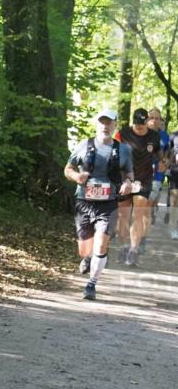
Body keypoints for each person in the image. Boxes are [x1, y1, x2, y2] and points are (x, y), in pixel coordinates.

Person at [64, 109, 134, 301]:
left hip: (108, 204)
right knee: (84, 250)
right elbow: (68, 168)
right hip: (84, 202)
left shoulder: (124, 150)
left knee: (101, 244)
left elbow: (129, 174)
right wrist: (76, 176)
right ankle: (89, 257)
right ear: (97, 124)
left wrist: (127, 183)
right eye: (102, 122)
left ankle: (91, 284)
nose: (105, 126)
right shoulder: (83, 145)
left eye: (109, 122)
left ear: (115, 125)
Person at [115, 108, 163, 266]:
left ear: (146, 122)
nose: (139, 128)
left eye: (142, 125)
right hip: (124, 179)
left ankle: (133, 251)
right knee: (123, 215)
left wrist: (162, 162)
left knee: (139, 213)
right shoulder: (122, 134)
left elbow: (159, 153)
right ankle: (123, 247)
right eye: (137, 125)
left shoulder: (154, 136)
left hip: (144, 179)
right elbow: (112, 151)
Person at [145, 108, 169, 234]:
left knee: (148, 204)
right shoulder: (140, 133)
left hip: (157, 175)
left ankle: (143, 237)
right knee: (141, 205)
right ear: (146, 120)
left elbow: (167, 153)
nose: (154, 121)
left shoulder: (164, 136)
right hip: (140, 175)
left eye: (157, 118)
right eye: (151, 118)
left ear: (160, 121)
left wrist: (165, 162)